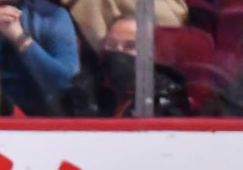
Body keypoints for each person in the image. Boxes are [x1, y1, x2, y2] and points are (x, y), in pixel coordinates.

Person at [63, 14, 191, 117]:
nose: (118, 52)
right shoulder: (84, 87)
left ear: (152, 52)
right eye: (112, 45)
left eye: (130, 46)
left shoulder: (167, 94)